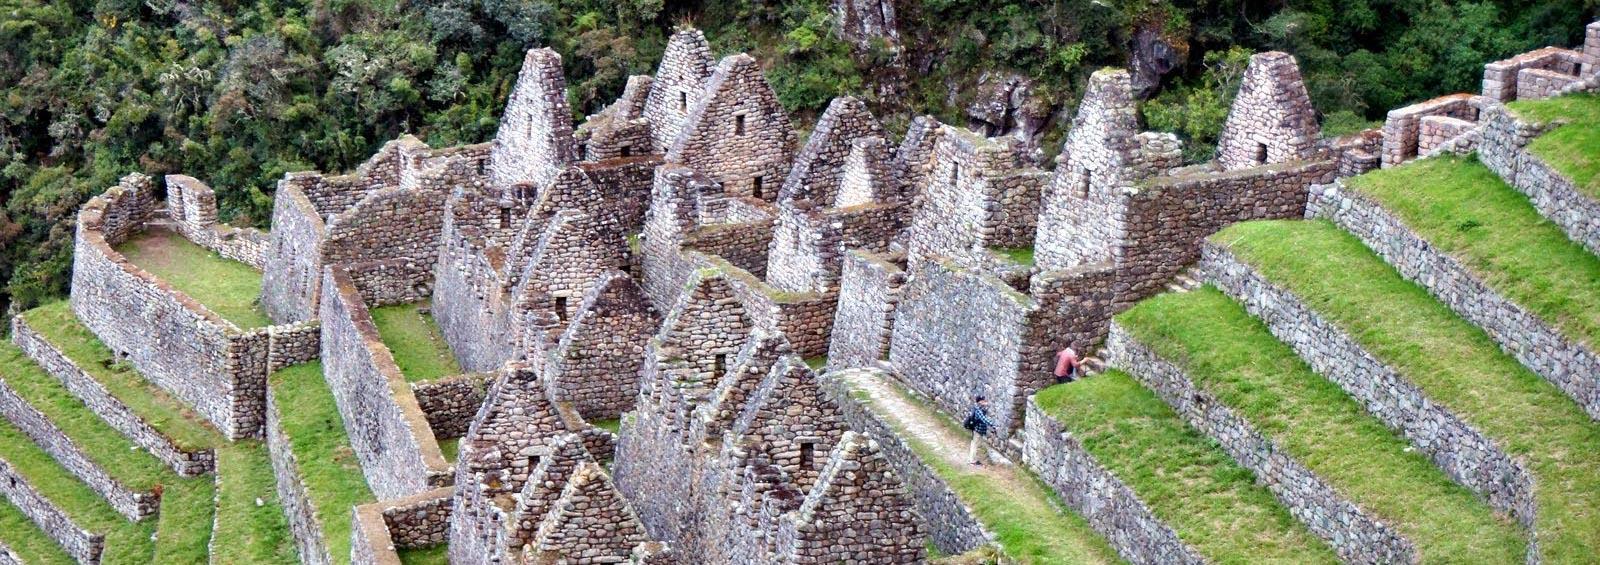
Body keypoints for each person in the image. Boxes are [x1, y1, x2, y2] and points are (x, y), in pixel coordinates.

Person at [963, 396, 996, 466]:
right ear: (980, 402)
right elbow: (984, 419)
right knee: (975, 444)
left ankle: (972, 459)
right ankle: (972, 461)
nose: (985, 401)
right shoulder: (978, 410)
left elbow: (985, 413)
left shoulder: (979, 408)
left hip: (979, 430)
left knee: (975, 444)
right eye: (983, 400)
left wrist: (986, 406)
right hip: (978, 430)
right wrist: (993, 425)